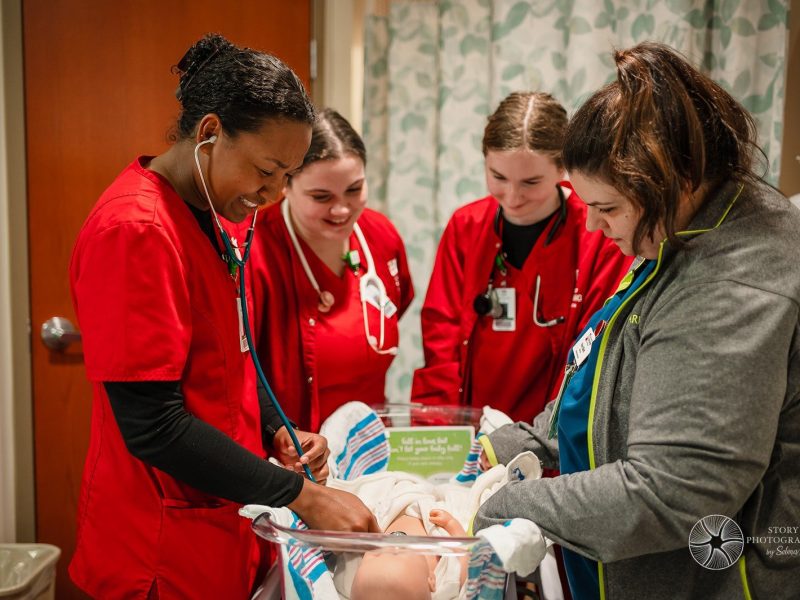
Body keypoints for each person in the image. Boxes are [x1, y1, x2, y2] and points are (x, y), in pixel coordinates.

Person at [474, 42, 800, 599]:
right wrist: (525, 442)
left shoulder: (729, 285)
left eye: (607, 210)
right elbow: (613, 368)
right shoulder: (678, 229)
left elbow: (673, 490)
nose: (596, 229)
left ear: (677, 179)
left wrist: (495, 505)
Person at [69, 34, 378, 600]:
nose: (273, 192)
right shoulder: (136, 231)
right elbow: (153, 425)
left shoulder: (218, 214)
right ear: (209, 134)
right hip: (158, 545)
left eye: (287, 175)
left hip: (221, 524)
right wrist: (301, 495)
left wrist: (274, 427)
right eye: (266, 170)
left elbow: (229, 355)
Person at [411, 92, 631, 425]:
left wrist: (545, 439)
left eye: (530, 182)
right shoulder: (466, 227)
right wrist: (440, 433)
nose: (512, 197)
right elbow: (441, 339)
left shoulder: (597, 234)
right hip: (468, 433)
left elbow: (593, 354)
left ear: (563, 169)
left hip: (552, 433)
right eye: (498, 177)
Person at [248, 108, 414, 431]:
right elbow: (241, 374)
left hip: (369, 446)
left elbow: (397, 305)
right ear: (285, 184)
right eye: (321, 196)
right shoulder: (255, 252)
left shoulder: (381, 237)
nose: (341, 210)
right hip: (291, 451)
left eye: (354, 190)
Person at [350, 508, 468, 600]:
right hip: (433, 515)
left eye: (377, 554)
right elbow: (465, 558)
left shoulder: (348, 575)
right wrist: (451, 525)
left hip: (389, 511)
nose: (390, 545)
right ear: (431, 579)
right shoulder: (445, 585)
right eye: (399, 552)